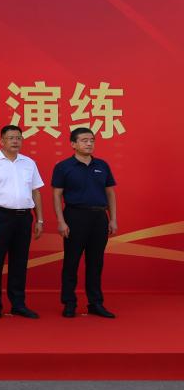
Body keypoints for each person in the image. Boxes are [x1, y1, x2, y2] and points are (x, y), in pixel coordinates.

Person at [0, 124, 44, 319]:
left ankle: (18, 304)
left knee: (19, 263)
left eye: (18, 138)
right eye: (11, 138)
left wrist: (39, 219)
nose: (15, 141)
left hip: (24, 218)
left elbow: (36, 192)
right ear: (1, 141)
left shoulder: (29, 163)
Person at [52, 127, 118, 318]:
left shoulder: (102, 165)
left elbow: (110, 193)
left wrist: (113, 218)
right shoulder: (64, 167)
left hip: (99, 217)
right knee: (71, 262)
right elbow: (57, 195)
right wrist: (61, 221)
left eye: (92, 140)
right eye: (84, 140)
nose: (89, 144)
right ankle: (69, 302)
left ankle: (95, 303)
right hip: (75, 216)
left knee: (96, 263)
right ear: (73, 144)